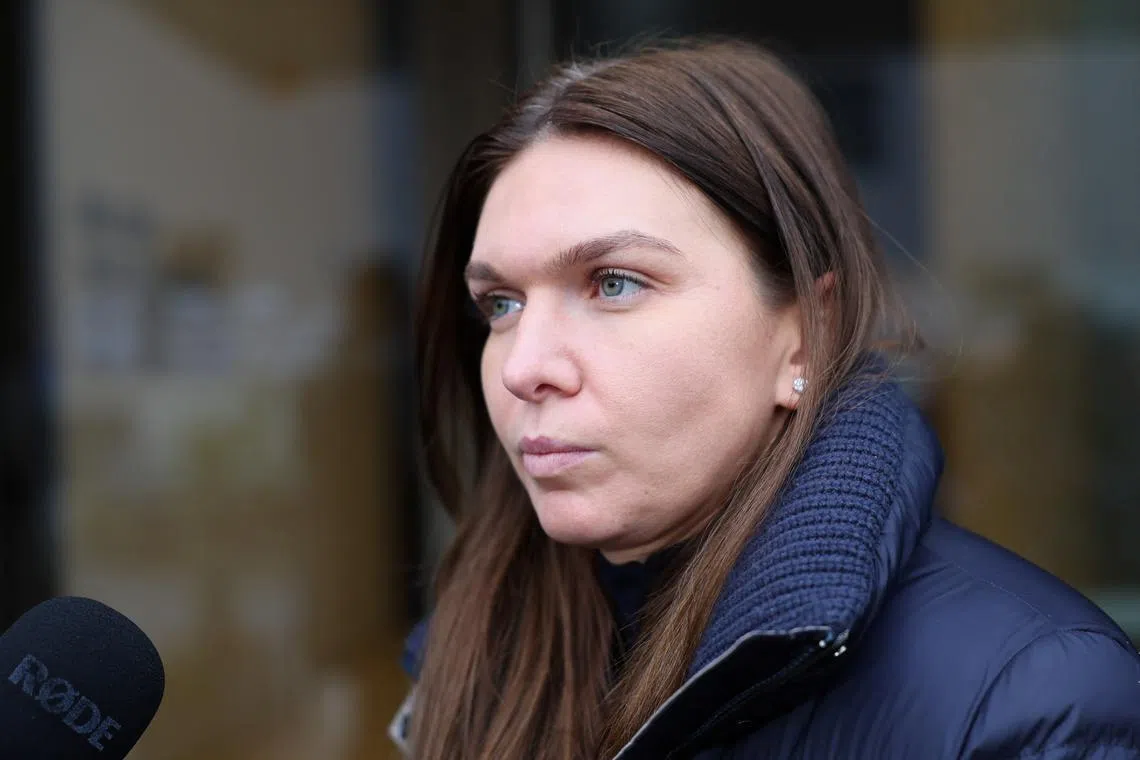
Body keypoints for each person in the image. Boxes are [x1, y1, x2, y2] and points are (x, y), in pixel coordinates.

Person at [392, 38, 1140, 759]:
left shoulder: (1027, 701)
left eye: (614, 283)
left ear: (807, 334)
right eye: (500, 305)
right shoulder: (474, 661)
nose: (524, 367)